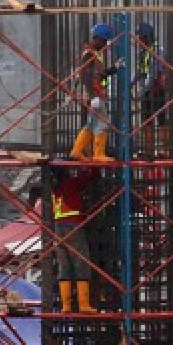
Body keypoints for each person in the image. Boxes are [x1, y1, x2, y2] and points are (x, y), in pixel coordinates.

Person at [69, 23, 118, 162]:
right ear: (98, 39)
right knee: (103, 123)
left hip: (95, 94)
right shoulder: (90, 54)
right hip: (95, 95)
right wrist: (96, 93)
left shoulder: (94, 54)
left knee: (90, 125)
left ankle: (76, 151)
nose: (105, 45)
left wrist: (114, 68)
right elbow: (87, 77)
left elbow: (99, 74)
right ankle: (98, 154)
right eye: (104, 41)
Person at [53, 166, 99, 314]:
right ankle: (83, 304)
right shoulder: (71, 183)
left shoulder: (54, 187)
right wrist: (86, 162)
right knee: (81, 263)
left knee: (64, 265)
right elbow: (92, 175)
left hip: (57, 228)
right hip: (72, 226)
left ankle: (65, 306)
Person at [134, 22, 167, 150]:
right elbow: (141, 72)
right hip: (146, 91)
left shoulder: (158, 50)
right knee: (147, 121)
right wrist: (130, 83)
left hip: (157, 89)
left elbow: (159, 72)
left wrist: (155, 86)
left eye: (140, 37)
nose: (138, 40)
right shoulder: (143, 52)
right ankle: (149, 150)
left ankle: (165, 149)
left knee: (162, 119)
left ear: (146, 37)